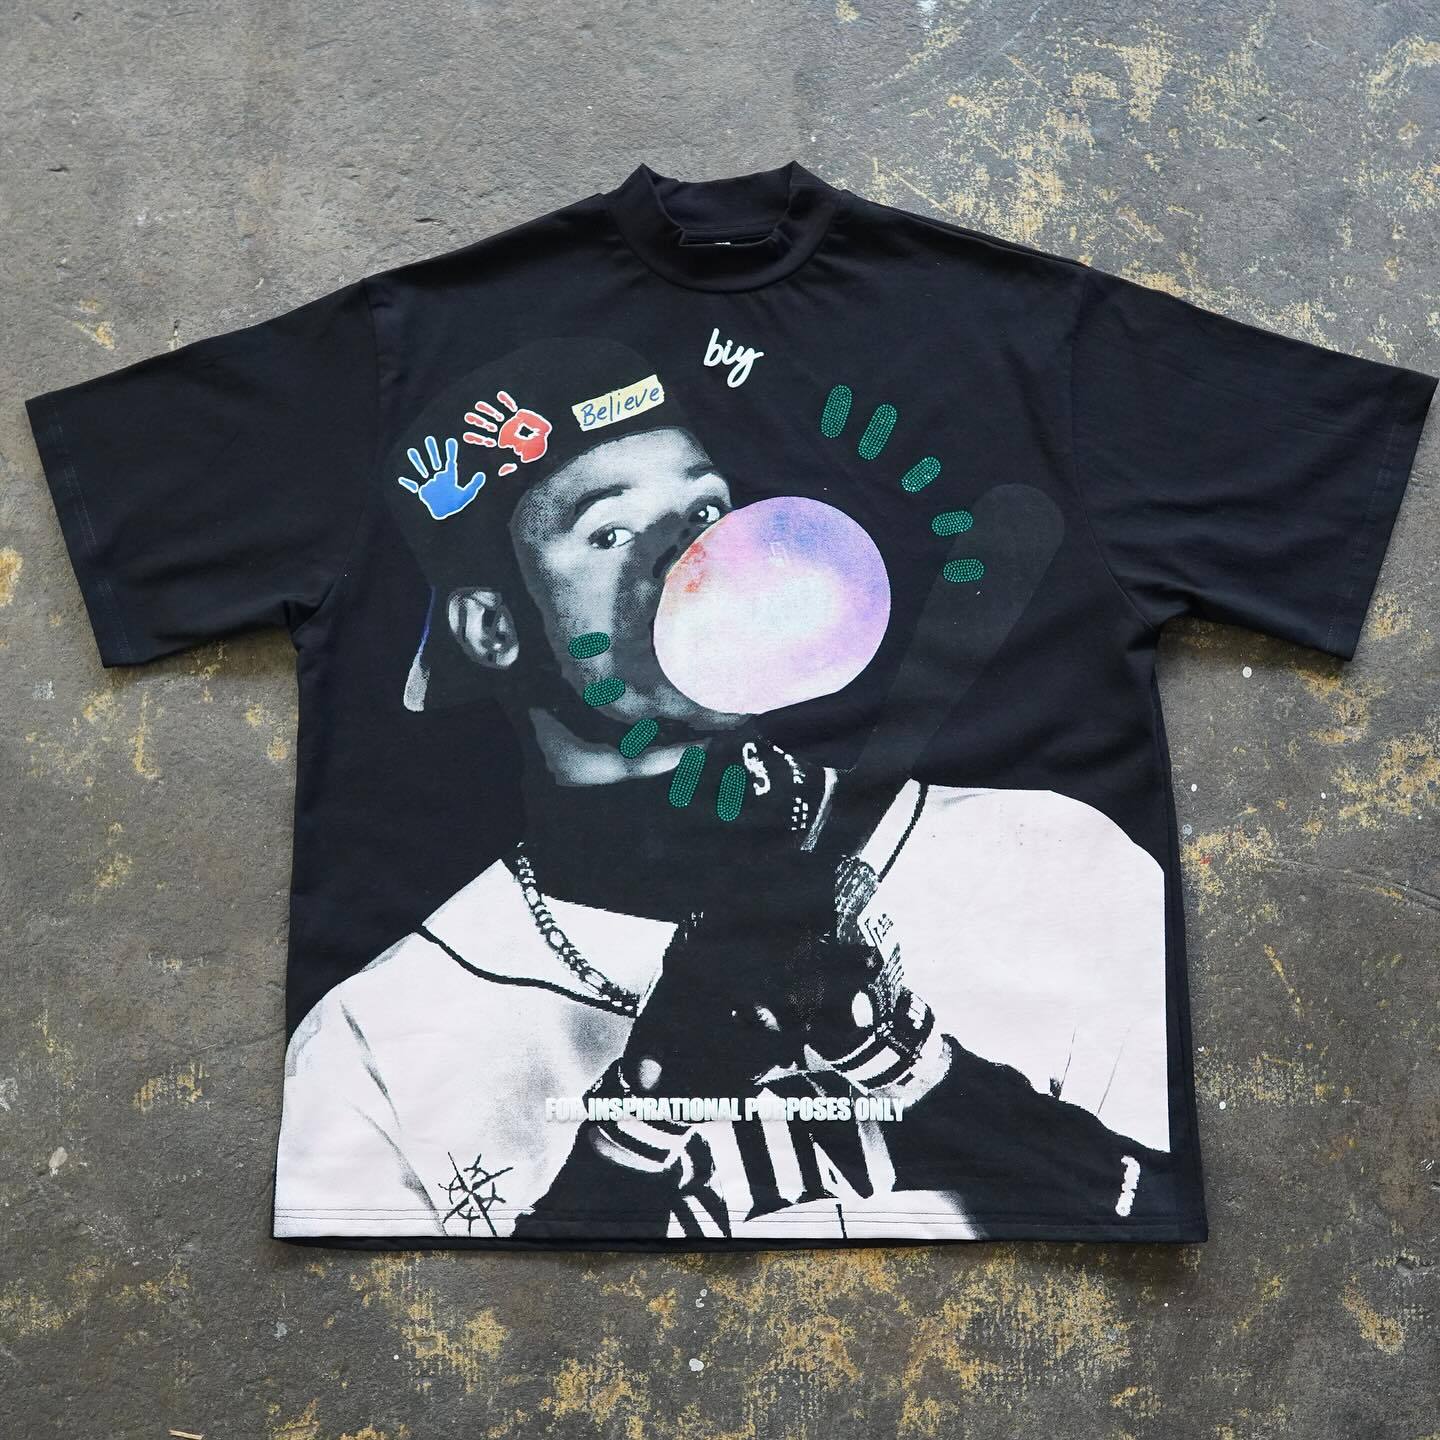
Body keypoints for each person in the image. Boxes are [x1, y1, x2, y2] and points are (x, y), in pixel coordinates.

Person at [274, 339, 1178, 1244]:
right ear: (493, 628)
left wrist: (907, 1061)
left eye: (706, 509)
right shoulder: (376, 1039)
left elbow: (1178, 1229)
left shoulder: (1050, 859)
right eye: (610, 533)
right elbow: (465, 1328)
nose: (696, 555)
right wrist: (646, 1107)